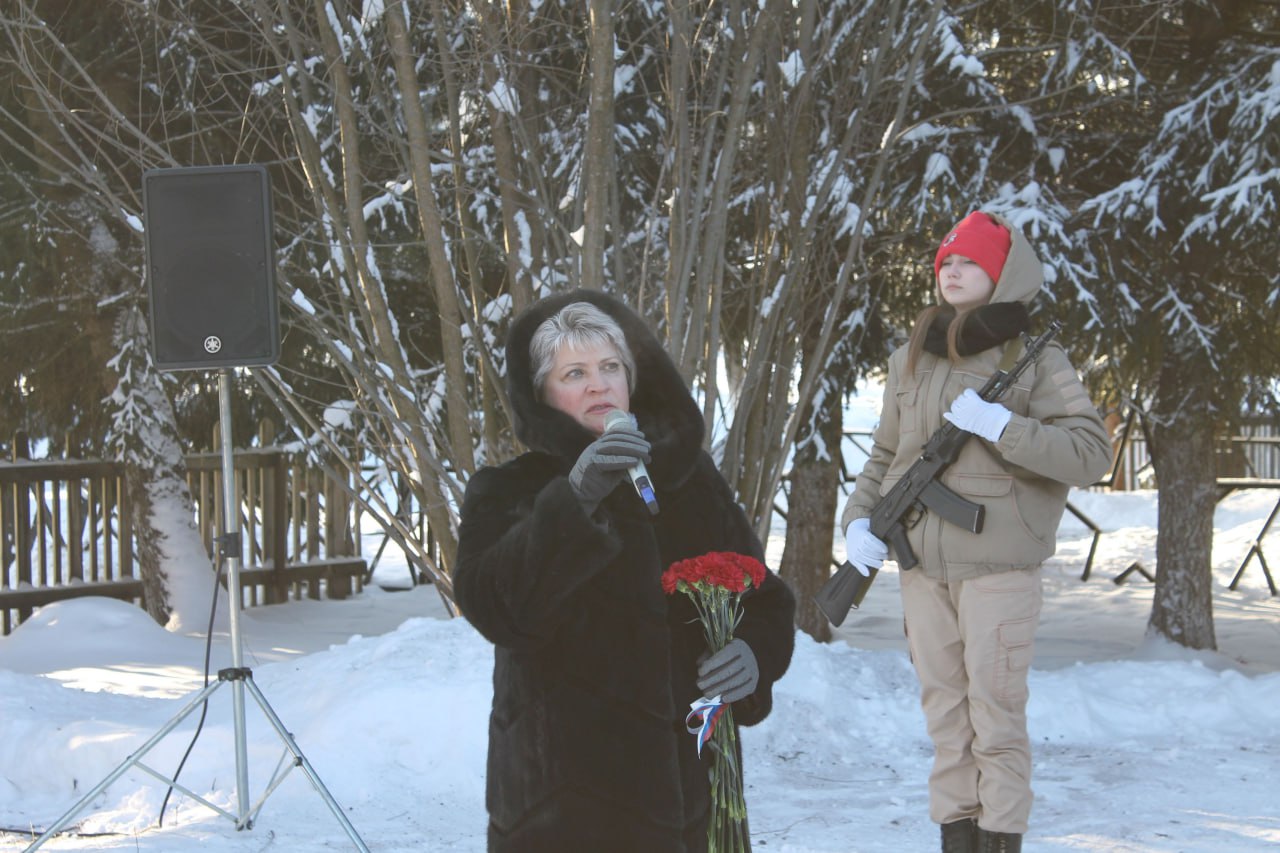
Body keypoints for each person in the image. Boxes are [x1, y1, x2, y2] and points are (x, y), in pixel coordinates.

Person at [454, 289, 796, 852]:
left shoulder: (690, 481)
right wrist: (575, 499)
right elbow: (495, 606)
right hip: (561, 802)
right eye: (574, 372)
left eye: (611, 366)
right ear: (542, 394)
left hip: (691, 792)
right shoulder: (509, 488)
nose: (597, 383)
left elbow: (765, 599)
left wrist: (753, 655)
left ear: (632, 379)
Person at [840, 212, 1112, 853]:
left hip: (998, 570)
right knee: (945, 717)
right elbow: (886, 457)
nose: (952, 270)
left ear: (1003, 273)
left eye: (969, 261)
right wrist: (857, 521)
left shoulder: (1035, 359)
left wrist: (1002, 427)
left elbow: (1091, 453)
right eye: (945, 262)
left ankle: (1000, 839)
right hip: (920, 568)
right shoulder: (912, 355)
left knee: (995, 718)